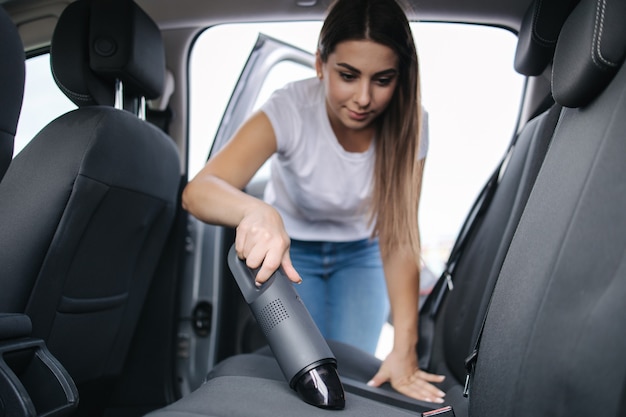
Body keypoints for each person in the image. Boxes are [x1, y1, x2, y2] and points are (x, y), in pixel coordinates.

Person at [182, 0, 446, 404]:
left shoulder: (413, 123)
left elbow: (399, 237)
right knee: (301, 379)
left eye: (382, 79)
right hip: (292, 255)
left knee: (348, 381)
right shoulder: (290, 108)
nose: (363, 97)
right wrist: (257, 211)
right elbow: (198, 191)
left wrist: (404, 349)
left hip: (363, 256)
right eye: (347, 75)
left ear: (401, 77)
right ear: (321, 64)